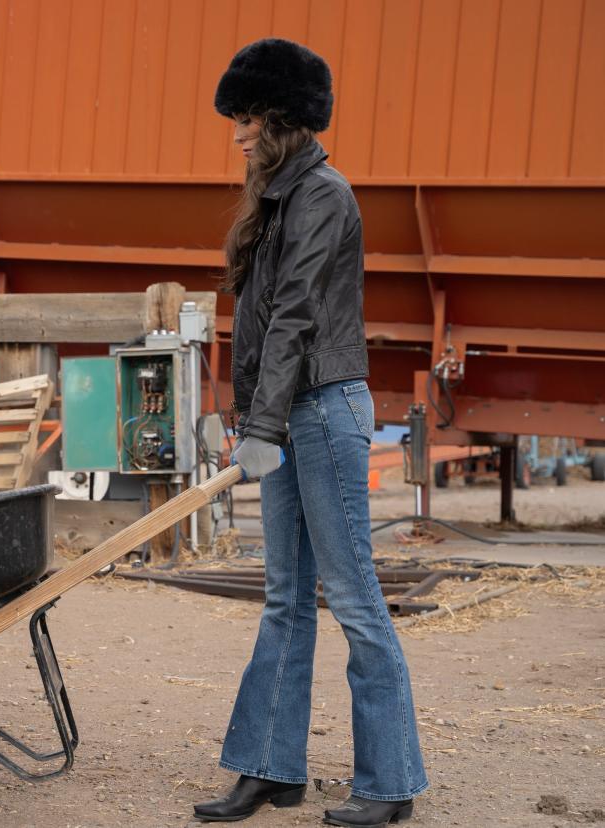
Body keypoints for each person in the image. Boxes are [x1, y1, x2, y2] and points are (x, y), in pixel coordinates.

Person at [191, 40, 427, 827]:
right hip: (286, 415)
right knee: (284, 599)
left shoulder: (324, 195)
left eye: (249, 118)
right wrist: (248, 422)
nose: (239, 135)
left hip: (323, 413)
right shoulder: (277, 201)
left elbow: (295, 312)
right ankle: (269, 768)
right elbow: (259, 326)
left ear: (285, 121)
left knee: (355, 599)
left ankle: (390, 785)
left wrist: (265, 425)